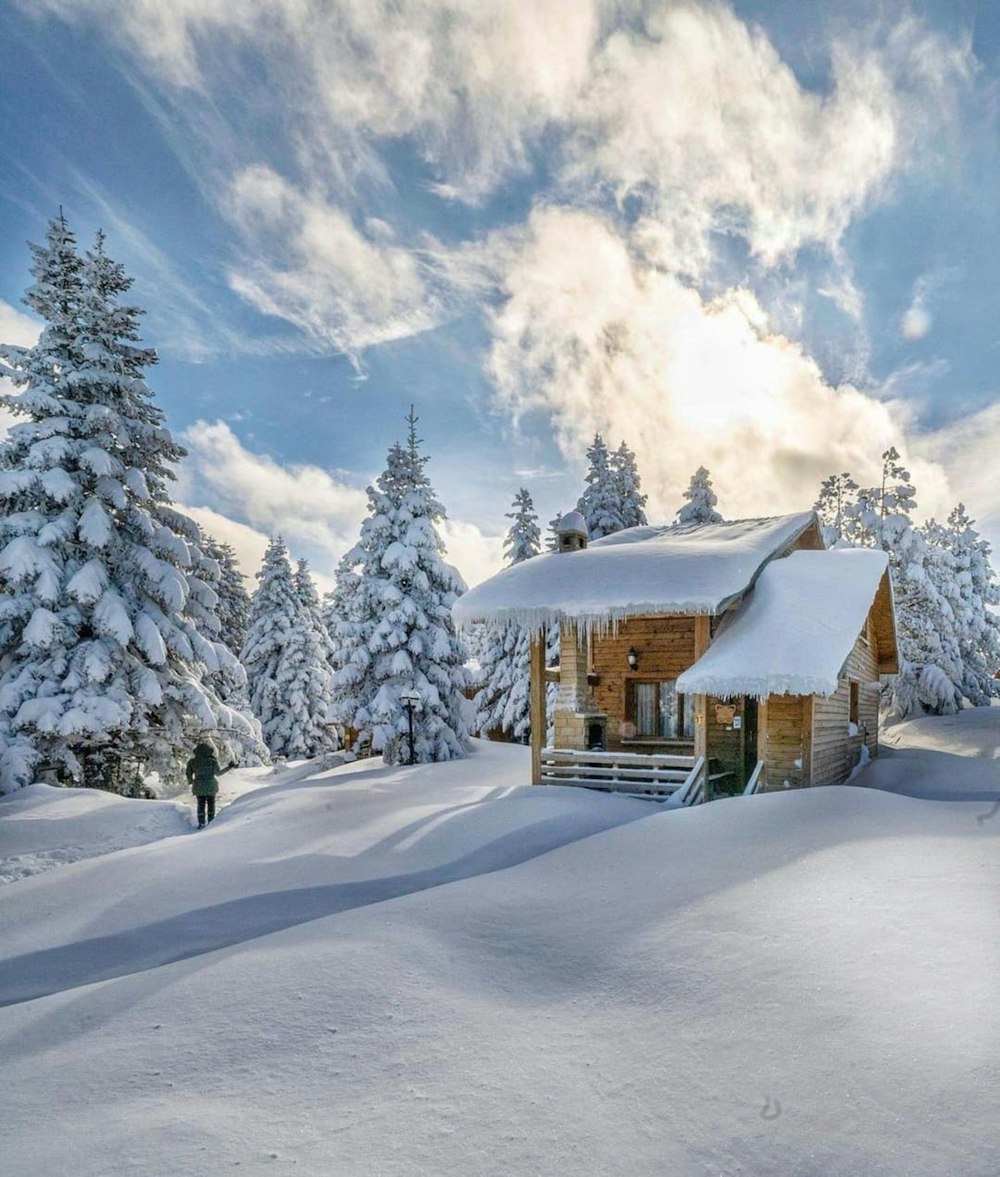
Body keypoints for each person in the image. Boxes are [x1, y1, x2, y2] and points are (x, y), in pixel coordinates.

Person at [186, 742, 229, 828]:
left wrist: (191, 781)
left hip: (199, 786)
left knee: (201, 805)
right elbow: (218, 773)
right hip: (211, 786)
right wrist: (229, 767)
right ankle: (211, 823)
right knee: (211, 805)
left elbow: (188, 774)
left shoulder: (192, 762)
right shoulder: (212, 761)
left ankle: (201, 823)